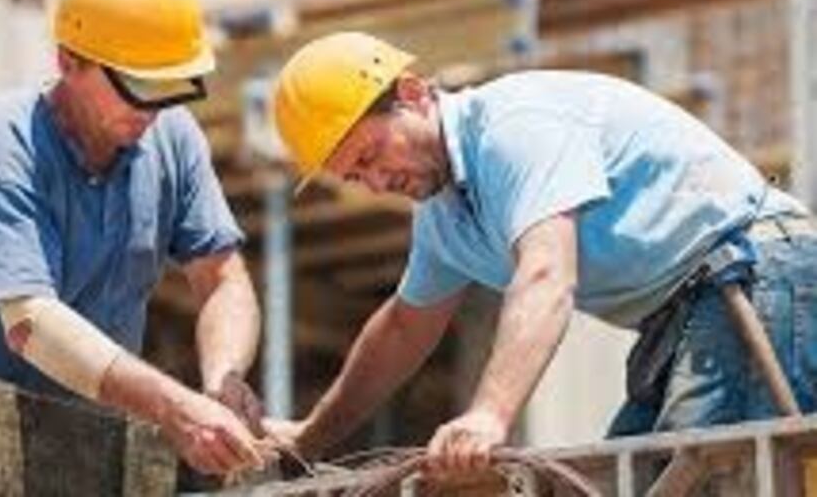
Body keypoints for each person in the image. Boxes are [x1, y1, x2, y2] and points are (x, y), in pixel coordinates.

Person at [266, 30, 817, 475]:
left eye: (372, 153)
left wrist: (489, 414)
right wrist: (311, 438)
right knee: (620, 481)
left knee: (709, 476)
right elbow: (402, 331)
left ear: (412, 94)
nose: (377, 180)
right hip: (686, 312)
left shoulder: (513, 127)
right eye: (356, 175)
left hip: (756, 270)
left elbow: (548, 274)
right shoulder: (444, 218)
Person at [0, 0, 268, 476]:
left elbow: (222, 280)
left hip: (88, 448)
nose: (152, 107)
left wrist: (224, 380)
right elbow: (30, 323)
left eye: (169, 86)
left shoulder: (172, 138)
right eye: (137, 86)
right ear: (68, 62)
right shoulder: (0, 151)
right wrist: (173, 406)